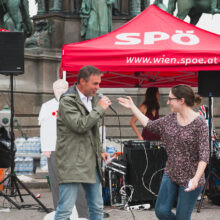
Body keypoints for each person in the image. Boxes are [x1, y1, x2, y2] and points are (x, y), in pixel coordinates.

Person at [118, 84, 209, 220]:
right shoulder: (170, 119)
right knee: (161, 211)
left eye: (170, 98)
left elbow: (204, 154)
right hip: (171, 173)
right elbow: (149, 124)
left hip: (191, 178)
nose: (167, 102)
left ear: (181, 100)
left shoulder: (200, 123)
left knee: (182, 217)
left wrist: (196, 178)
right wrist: (133, 107)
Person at [55, 65, 111, 220]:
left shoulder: (93, 100)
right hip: (72, 161)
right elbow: (80, 125)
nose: (98, 87)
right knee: (65, 209)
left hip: (91, 160)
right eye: (95, 84)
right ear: (82, 82)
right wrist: (99, 109)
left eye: (99, 83)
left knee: (97, 207)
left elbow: (92, 131)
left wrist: (100, 151)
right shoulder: (67, 101)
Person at [39, 79, 88, 219]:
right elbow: (43, 128)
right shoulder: (46, 106)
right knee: (56, 182)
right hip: (54, 148)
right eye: (57, 88)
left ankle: (84, 214)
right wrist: (45, 147)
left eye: (63, 87)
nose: (60, 90)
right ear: (53, 90)